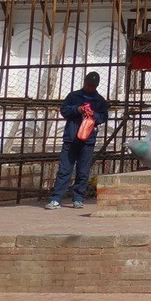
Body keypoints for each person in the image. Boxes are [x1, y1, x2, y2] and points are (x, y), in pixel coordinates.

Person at [45, 71, 108, 209]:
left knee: (83, 171)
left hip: (88, 140)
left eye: (93, 86)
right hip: (71, 138)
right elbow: (64, 110)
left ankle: (78, 198)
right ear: (84, 83)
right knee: (64, 170)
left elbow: (103, 117)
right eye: (88, 85)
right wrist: (77, 109)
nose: (90, 88)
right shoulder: (73, 96)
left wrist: (93, 116)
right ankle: (56, 199)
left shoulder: (99, 100)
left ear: (96, 86)